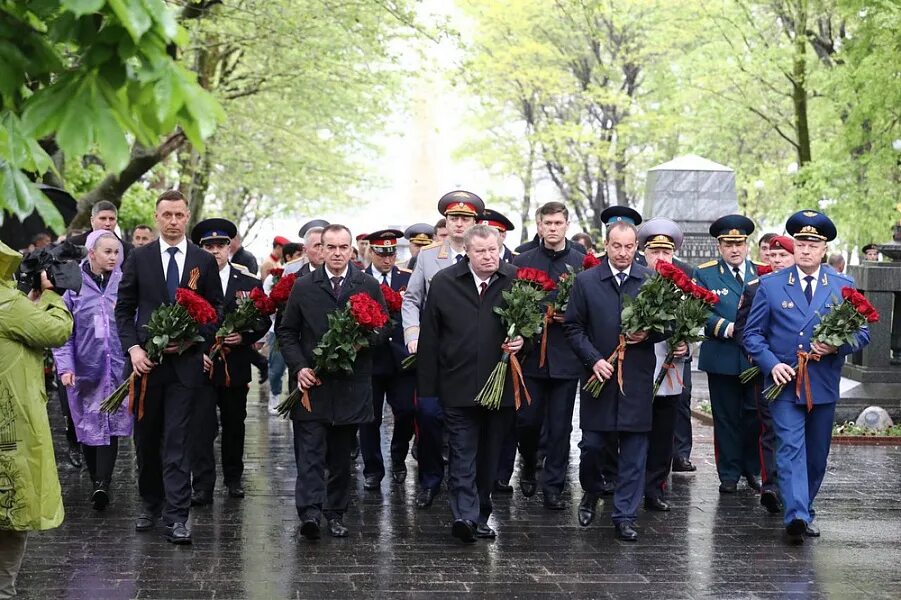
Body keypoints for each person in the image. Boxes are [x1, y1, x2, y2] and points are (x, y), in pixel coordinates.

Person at [743, 210, 870, 543]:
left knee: (817, 454)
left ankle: (805, 506)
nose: (806, 249)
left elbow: (862, 333)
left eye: (813, 244)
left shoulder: (843, 286)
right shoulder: (770, 285)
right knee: (788, 447)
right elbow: (752, 335)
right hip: (784, 382)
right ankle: (796, 514)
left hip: (823, 382)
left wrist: (835, 346)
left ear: (824, 249)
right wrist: (771, 364)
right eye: (801, 243)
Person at [115, 190, 224, 545]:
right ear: (157, 216)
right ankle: (150, 502)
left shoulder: (202, 260)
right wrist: (132, 349)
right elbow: (124, 308)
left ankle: (178, 516)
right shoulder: (139, 257)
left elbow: (215, 312)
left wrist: (193, 341)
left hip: (185, 368)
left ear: (187, 216)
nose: (173, 221)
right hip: (147, 366)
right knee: (146, 440)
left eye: (179, 215)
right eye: (167, 215)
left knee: (178, 441)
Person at [277, 224, 389, 540]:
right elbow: (287, 332)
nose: (338, 253)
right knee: (310, 452)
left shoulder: (366, 284)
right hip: (312, 384)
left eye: (343, 247)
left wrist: (361, 342)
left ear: (351, 250)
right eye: (331, 247)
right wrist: (299, 367)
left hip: (351, 386)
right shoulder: (303, 286)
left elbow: (382, 329)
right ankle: (310, 513)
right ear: (321, 250)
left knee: (341, 457)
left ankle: (336, 512)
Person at [417, 224, 523, 543]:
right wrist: (427, 392)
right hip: (457, 384)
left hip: (500, 387)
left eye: (493, 250)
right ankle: (464, 515)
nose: (489, 257)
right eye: (481, 252)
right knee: (462, 452)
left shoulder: (515, 281)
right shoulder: (445, 283)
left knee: (489, 455)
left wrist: (522, 342)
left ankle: (481, 514)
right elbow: (430, 338)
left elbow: (532, 330)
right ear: (467, 252)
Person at [564, 220, 662, 541]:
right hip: (598, 378)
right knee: (592, 445)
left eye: (629, 246)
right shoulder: (587, 281)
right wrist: (594, 360)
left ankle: (624, 515)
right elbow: (573, 327)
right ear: (606, 245)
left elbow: (667, 326)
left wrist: (649, 332)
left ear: (637, 247)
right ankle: (592, 491)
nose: (623, 253)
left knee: (635, 449)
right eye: (616, 246)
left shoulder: (650, 281)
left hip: (635, 378)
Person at [402, 190, 484, 510]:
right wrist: (414, 333)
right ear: (446, 223)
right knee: (429, 415)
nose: (459, 224)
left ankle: (464, 483)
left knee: (465, 419)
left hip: (470, 356)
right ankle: (430, 479)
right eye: (453, 218)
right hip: (434, 354)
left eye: (465, 218)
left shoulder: (484, 254)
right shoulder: (428, 256)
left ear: (476, 223)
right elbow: (412, 299)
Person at [0, 241, 73, 598]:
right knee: (13, 507)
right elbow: (55, 332)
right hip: (9, 424)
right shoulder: (6, 303)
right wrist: (53, 295)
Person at [189, 218, 270, 506]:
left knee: (235, 423)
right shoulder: (191, 282)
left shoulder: (248, 282)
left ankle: (234, 478)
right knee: (201, 425)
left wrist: (245, 337)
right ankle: (202, 484)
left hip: (234, 366)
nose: (215, 251)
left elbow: (263, 318)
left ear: (230, 247)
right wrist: (198, 348)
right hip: (200, 364)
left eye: (220, 245)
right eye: (208, 246)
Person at [53, 231, 132, 511]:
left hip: (118, 369)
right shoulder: (74, 287)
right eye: (107, 252)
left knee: (109, 423)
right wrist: (65, 367)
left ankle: (103, 483)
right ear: (92, 254)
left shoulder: (124, 283)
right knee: (86, 423)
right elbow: (63, 333)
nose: (113, 257)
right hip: (85, 369)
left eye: (116, 252)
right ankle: (95, 478)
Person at [512, 202, 584, 509]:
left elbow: (588, 307)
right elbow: (513, 304)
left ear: (567, 224)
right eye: (547, 223)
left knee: (561, 426)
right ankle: (529, 460)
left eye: (558, 223)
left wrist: (569, 315)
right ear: (539, 226)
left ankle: (553, 486)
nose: (552, 228)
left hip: (566, 355)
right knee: (527, 420)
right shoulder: (523, 260)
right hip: (531, 355)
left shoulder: (583, 263)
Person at [692, 214, 762, 494]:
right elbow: (699, 311)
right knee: (726, 417)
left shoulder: (762, 272)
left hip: (753, 358)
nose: (735, 249)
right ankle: (729, 474)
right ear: (719, 247)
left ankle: (752, 468)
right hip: (722, 354)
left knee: (754, 416)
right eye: (728, 244)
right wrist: (726, 327)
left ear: (747, 245)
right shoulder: (705, 273)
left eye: (740, 243)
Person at [734, 235, 795, 514]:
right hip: (767, 372)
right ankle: (771, 485)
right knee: (770, 428)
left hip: (801, 370)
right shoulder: (755, 287)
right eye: (773, 256)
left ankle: (791, 485)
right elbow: (743, 329)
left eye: (783, 256)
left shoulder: (806, 288)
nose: (777, 260)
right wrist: (759, 359)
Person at [638, 218, 690, 513]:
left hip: (670, 371)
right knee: (634, 431)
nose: (661, 259)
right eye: (655, 252)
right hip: (637, 369)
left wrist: (686, 345)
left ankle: (656, 487)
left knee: (663, 433)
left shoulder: (682, 287)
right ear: (644, 253)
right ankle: (630, 481)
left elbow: (695, 324)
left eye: (666, 253)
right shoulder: (634, 281)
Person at [360, 229, 415, 489]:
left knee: (406, 411)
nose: (387, 259)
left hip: (401, 360)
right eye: (382, 254)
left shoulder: (408, 278)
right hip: (370, 359)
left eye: (392, 253)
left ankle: (398, 455)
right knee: (370, 417)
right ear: (372, 252)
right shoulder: (360, 279)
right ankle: (372, 469)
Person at [67, 200, 134, 260]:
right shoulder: (74, 244)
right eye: (103, 218)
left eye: (111, 219)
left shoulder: (128, 250)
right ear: (92, 221)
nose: (107, 223)